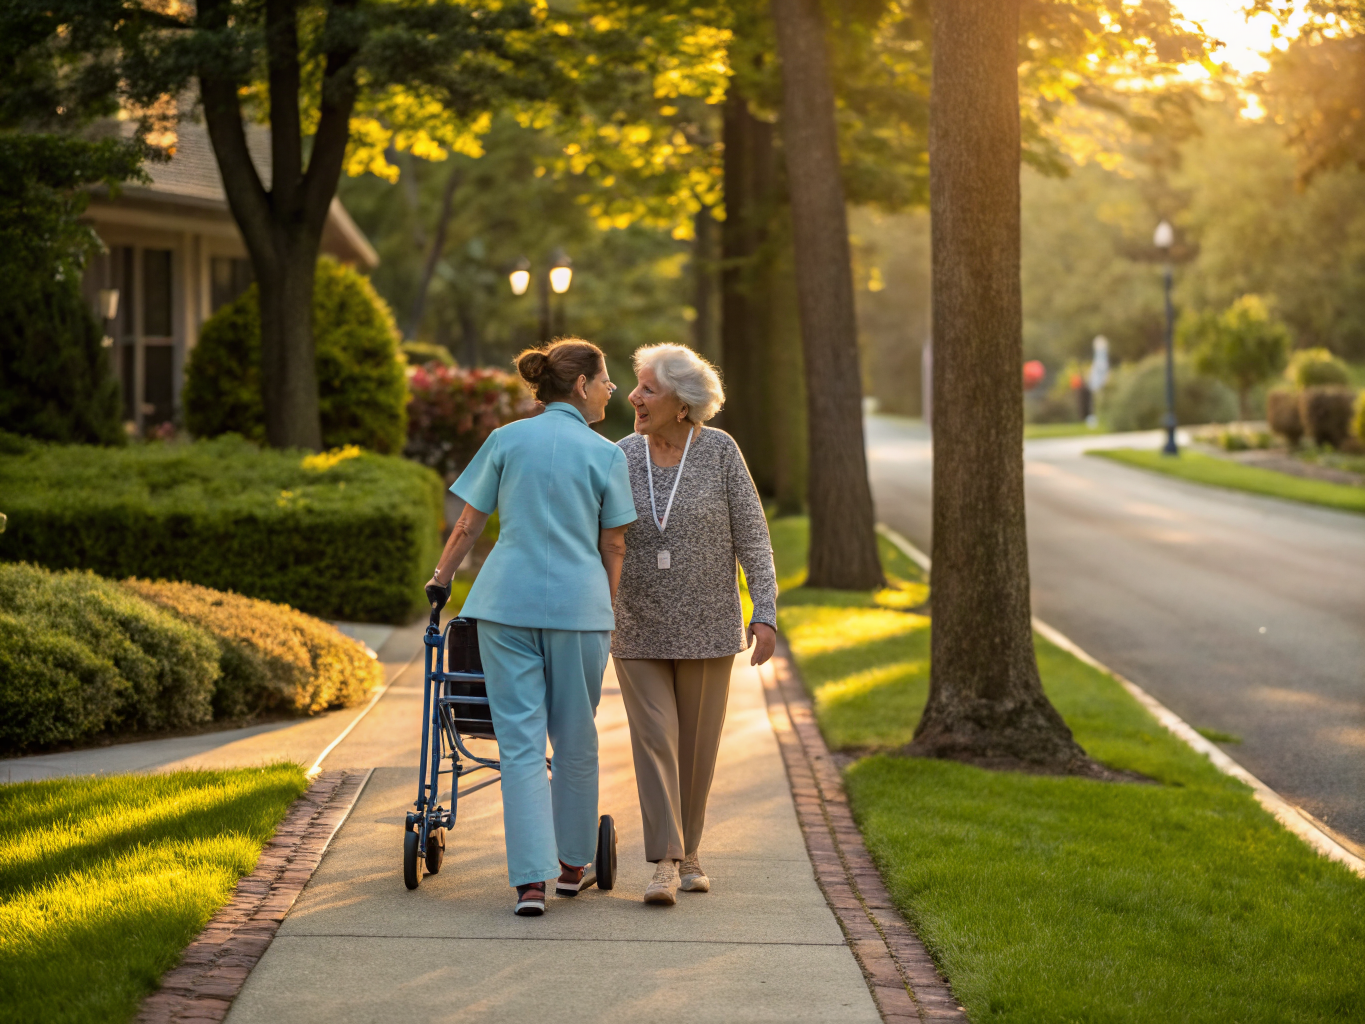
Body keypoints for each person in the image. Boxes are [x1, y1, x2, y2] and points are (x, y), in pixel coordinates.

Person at [426, 338, 636, 917]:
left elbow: (469, 524)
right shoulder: (606, 454)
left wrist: (440, 580)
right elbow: (614, 542)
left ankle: (530, 885)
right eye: (605, 379)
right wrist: (607, 607)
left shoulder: (504, 440)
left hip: (504, 607)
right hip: (579, 612)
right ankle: (573, 866)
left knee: (519, 745)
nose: (611, 389)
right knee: (575, 737)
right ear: (580, 386)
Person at [611, 343, 778, 906]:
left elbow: (753, 537)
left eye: (646, 389)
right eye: (636, 387)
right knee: (655, 738)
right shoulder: (622, 455)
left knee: (698, 747)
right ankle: (664, 863)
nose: (634, 396)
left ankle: (691, 852)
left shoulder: (721, 453)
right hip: (635, 623)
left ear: (681, 405)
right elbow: (598, 538)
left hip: (708, 624)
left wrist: (766, 612)